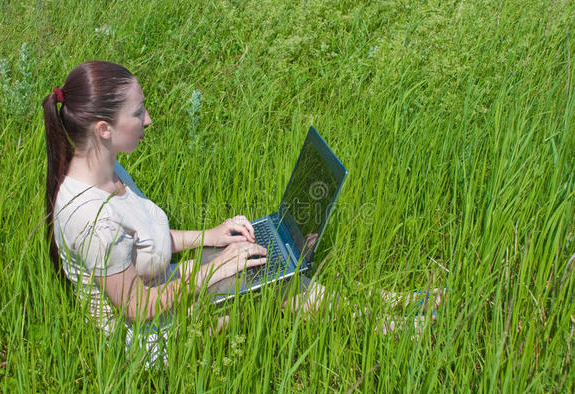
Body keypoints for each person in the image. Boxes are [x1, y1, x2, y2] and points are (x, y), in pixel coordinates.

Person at [43, 61, 443, 364]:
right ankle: (390, 325)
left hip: (172, 287)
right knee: (276, 292)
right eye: (138, 112)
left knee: (268, 265)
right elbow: (137, 308)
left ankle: (386, 305)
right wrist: (214, 271)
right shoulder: (87, 217)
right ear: (103, 129)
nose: (149, 119)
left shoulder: (109, 166)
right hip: (149, 340)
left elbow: (146, 241)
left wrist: (213, 236)